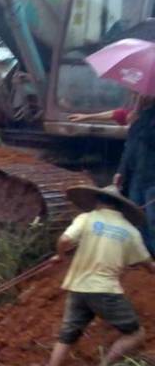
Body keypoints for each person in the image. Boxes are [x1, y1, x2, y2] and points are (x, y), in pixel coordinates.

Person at [39, 185, 155, 366]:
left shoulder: (87, 218)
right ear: (120, 206)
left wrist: (60, 255)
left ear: (99, 201)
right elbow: (148, 264)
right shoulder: (130, 231)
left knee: (67, 337)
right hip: (105, 290)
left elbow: (65, 240)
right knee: (135, 333)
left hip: (78, 287)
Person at [69, 95, 155, 255]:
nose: (139, 98)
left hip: (152, 179)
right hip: (136, 176)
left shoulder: (145, 120)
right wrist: (121, 171)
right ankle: (144, 254)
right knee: (137, 216)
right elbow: (129, 144)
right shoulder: (137, 116)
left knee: (152, 219)